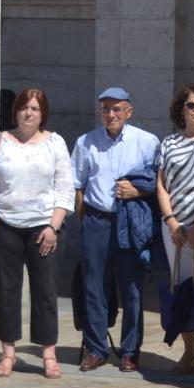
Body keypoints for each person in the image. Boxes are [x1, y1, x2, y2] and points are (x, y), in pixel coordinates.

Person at [0, 88, 74, 379]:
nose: (29, 113)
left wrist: (54, 226)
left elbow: (66, 189)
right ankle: (8, 354)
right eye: (24, 107)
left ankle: (48, 355)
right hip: (4, 225)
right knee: (8, 289)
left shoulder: (55, 143)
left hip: (43, 227)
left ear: (43, 114)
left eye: (35, 109)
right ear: (15, 111)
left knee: (45, 291)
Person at [71, 86, 161, 372]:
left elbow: (158, 184)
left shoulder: (147, 142)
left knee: (131, 287)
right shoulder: (86, 141)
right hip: (97, 220)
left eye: (117, 109)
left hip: (130, 221)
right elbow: (78, 185)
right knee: (93, 286)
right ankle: (96, 348)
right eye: (106, 109)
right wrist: (84, 222)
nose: (111, 114)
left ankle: (130, 350)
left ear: (129, 111)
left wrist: (137, 192)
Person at [155, 83, 194, 376]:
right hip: (174, 229)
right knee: (181, 286)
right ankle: (189, 350)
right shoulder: (169, 142)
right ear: (181, 108)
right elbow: (161, 183)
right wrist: (171, 221)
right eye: (191, 104)